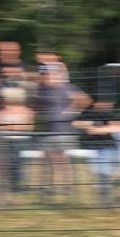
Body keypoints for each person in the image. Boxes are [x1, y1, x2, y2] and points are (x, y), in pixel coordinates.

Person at [36, 63, 92, 198]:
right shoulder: (42, 89)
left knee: (61, 159)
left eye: (46, 74)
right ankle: (45, 186)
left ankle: (66, 186)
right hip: (48, 129)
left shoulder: (64, 88)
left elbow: (86, 100)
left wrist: (71, 112)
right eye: (42, 74)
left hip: (63, 129)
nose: (43, 77)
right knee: (46, 158)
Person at [73, 100, 120, 206]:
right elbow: (76, 123)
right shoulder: (88, 115)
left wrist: (101, 129)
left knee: (113, 175)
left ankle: (110, 197)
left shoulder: (112, 115)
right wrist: (89, 126)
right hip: (97, 149)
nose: (107, 106)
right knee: (101, 175)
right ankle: (104, 200)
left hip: (113, 149)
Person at [0, 87, 35, 200]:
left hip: (19, 141)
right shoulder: (0, 110)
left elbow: (29, 126)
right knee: (3, 164)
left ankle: (15, 186)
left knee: (16, 164)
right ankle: (5, 185)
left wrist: (10, 126)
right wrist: (12, 126)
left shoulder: (26, 110)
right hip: (2, 140)